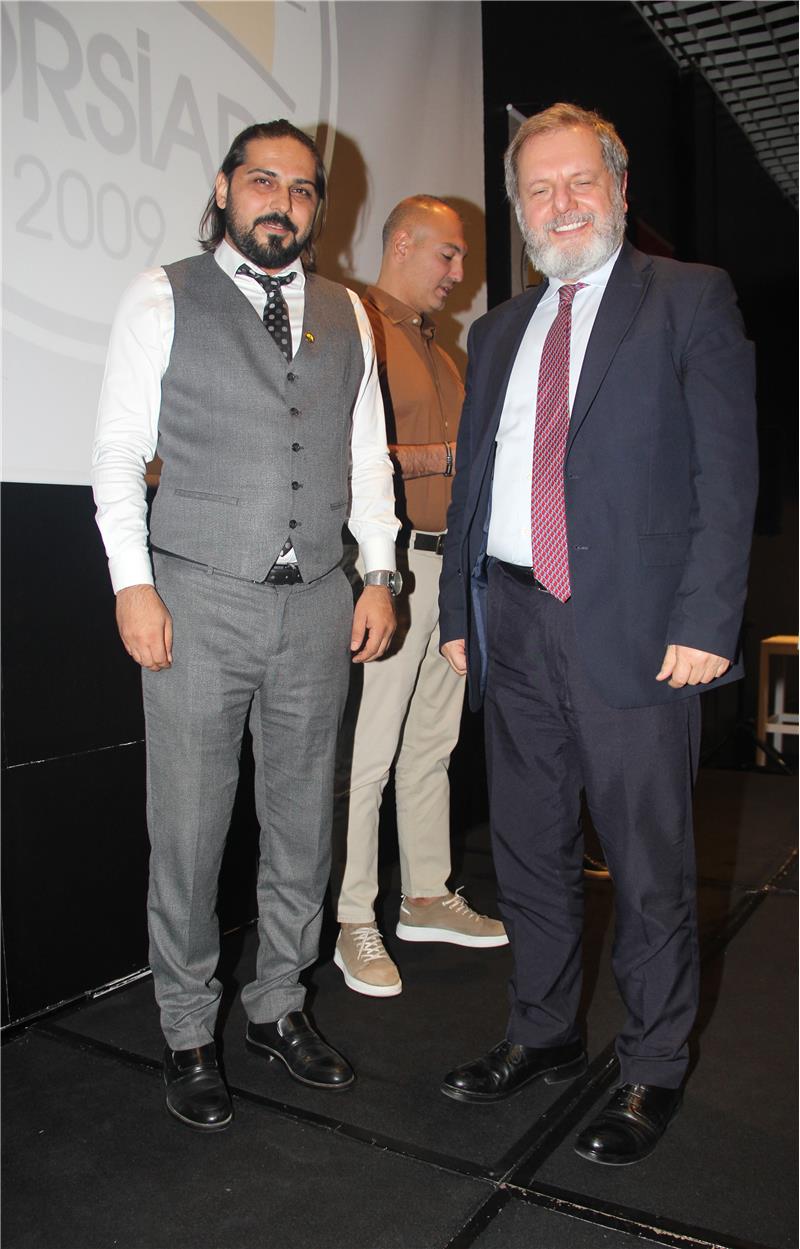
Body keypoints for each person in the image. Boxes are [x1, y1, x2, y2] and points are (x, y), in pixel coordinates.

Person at [437, 104, 757, 1165]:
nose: (560, 203)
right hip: (512, 618)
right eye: (539, 189)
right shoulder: (496, 331)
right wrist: (459, 615)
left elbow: (726, 474)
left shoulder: (689, 297)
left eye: (579, 181)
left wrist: (707, 618)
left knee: (648, 863)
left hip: (637, 630)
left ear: (619, 188)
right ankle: (543, 1031)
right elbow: (477, 484)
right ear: (520, 209)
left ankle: (653, 1064)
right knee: (526, 850)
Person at [91, 120, 400, 1132]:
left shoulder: (348, 313)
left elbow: (366, 458)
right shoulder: (162, 294)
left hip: (318, 600)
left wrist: (379, 573)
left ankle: (277, 1004)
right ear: (224, 189)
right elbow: (117, 451)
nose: (283, 201)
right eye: (262, 180)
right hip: (197, 596)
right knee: (188, 828)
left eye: (302, 188)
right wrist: (132, 584)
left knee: (304, 819)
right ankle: (188, 1029)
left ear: (318, 206)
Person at [334, 197, 507, 998]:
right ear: (402, 244)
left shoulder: (443, 349)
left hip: (449, 565)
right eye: (448, 254)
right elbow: (340, 457)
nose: (459, 272)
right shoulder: (354, 325)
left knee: (433, 744)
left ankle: (427, 895)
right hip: (389, 566)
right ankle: (351, 918)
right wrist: (443, 455)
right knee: (369, 754)